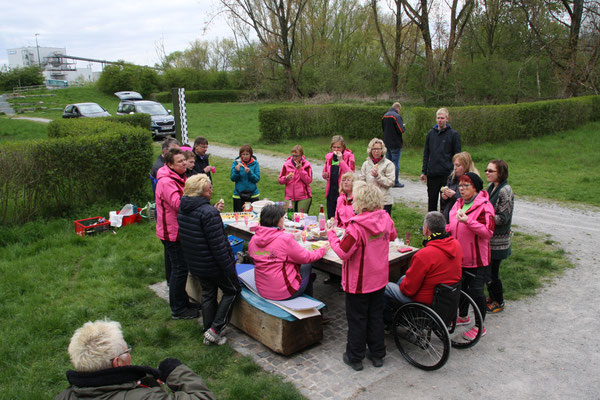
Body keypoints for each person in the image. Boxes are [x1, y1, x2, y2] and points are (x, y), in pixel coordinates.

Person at [327, 181, 397, 371]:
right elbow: (392, 236)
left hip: (358, 281)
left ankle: (355, 356)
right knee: (375, 316)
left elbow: (343, 252)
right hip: (379, 278)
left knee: (357, 318)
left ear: (360, 201)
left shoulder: (355, 227)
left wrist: (331, 235)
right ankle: (377, 354)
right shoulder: (385, 219)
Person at [56, 319, 216, 399]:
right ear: (117, 362)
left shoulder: (64, 396)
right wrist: (177, 372)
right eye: (127, 350)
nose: (129, 353)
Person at [178, 174, 238, 345]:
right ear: (202, 192)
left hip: (196, 261)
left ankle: (207, 328)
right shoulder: (209, 213)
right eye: (209, 188)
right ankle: (215, 329)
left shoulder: (184, 208)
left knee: (208, 293)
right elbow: (219, 246)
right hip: (213, 264)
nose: (211, 191)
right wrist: (229, 266)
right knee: (232, 290)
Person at [446, 172, 495, 340]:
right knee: (461, 288)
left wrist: (468, 221)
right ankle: (463, 316)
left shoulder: (485, 206)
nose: (462, 189)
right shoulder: (458, 203)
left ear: (475, 187)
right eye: (460, 185)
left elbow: (488, 232)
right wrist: (441, 229)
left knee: (476, 292)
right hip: (459, 257)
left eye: (466, 185)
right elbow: (452, 225)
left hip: (477, 259)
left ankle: (479, 326)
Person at [249, 204, 329, 300]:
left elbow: (266, 255)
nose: (283, 220)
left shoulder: (254, 239)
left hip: (263, 289)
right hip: (282, 292)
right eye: (283, 218)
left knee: (289, 262)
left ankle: (308, 282)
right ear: (277, 220)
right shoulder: (284, 239)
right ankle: (309, 301)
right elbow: (307, 257)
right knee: (306, 265)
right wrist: (323, 250)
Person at [384, 211, 462, 307]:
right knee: (403, 278)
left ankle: (387, 316)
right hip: (447, 296)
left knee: (386, 286)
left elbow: (408, 290)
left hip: (425, 301)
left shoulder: (424, 255)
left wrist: (402, 286)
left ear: (426, 230)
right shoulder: (456, 245)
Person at [155, 148, 199, 320]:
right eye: (180, 161)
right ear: (170, 164)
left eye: (184, 160)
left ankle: (184, 301)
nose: (184, 163)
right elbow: (178, 204)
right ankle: (178, 309)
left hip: (180, 230)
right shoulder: (166, 182)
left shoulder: (180, 176)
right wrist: (197, 198)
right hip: (171, 233)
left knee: (182, 268)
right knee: (178, 270)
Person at [485, 160, 514, 313]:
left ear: (500, 173)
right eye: (486, 170)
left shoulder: (505, 191)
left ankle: (499, 301)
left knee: (492, 272)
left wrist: (484, 217)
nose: (487, 173)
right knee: (488, 271)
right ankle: (492, 297)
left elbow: (503, 218)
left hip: (499, 241)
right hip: (489, 239)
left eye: (491, 171)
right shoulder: (491, 187)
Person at [421, 108, 461, 212]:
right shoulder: (431, 134)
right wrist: (424, 171)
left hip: (446, 174)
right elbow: (426, 153)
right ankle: (430, 224)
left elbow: (457, 155)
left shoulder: (453, 134)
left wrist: (455, 171)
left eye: (442, 118)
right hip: (432, 173)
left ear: (447, 119)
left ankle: (444, 223)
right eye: (438, 118)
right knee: (432, 200)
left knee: (445, 201)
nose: (440, 120)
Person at [359, 138, 395, 215]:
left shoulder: (389, 164)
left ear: (382, 150)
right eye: (374, 149)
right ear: (370, 150)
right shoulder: (366, 164)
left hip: (384, 201)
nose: (376, 151)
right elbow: (362, 180)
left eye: (378, 149)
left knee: (383, 225)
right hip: (369, 200)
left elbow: (390, 182)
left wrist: (378, 176)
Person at [440, 152, 479, 223]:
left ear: (466, 166)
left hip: (462, 219)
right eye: (454, 165)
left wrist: (454, 196)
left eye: (458, 165)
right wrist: (444, 197)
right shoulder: (452, 178)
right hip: (448, 217)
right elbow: (444, 204)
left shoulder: (473, 180)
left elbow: (472, 201)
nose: (455, 168)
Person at [323, 135, 355, 219]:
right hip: (331, 190)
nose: (336, 150)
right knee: (331, 217)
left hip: (343, 191)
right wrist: (325, 174)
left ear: (343, 147)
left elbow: (351, 174)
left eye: (338, 147)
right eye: (334, 147)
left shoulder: (349, 156)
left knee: (341, 217)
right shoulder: (329, 156)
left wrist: (341, 160)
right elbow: (325, 170)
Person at [278, 145, 313, 213]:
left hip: (304, 197)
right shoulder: (286, 164)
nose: (295, 158)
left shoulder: (306, 165)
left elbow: (308, 181)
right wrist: (286, 178)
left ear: (301, 155)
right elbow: (280, 180)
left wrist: (300, 170)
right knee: (289, 217)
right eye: (293, 155)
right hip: (289, 197)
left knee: (301, 218)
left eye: (297, 156)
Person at [382, 102, 405, 188]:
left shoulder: (385, 116)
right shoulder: (396, 116)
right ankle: (395, 181)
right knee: (395, 163)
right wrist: (404, 127)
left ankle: (387, 180)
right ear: (398, 108)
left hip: (387, 142)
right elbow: (401, 130)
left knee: (387, 163)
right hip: (395, 143)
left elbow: (383, 129)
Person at [231, 144, 260, 212]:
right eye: (243, 154)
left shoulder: (255, 164)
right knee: (238, 217)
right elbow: (233, 178)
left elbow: (257, 179)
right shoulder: (236, 163)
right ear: (240, 155)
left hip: (253, 194)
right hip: (238, 194)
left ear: (251, 154)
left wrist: (250, 173)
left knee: (254, 217)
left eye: (247, 154)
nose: (245, 156)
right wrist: (237, 171)